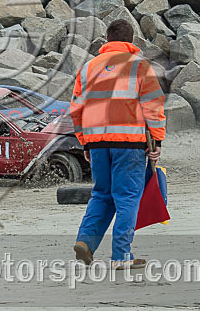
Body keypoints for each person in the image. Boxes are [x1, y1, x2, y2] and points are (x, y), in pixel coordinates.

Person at [70, 19, 166, 270]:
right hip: (129, 144)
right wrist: (156, 141)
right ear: (131, 41)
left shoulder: (88, 68)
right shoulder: (139, 66)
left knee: (102, 194)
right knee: (127, 198)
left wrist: (85, 144)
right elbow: (153, 106)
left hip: (98, 143)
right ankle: (121, 256)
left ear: (107, 40)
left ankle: (85, 241)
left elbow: (76, 109)